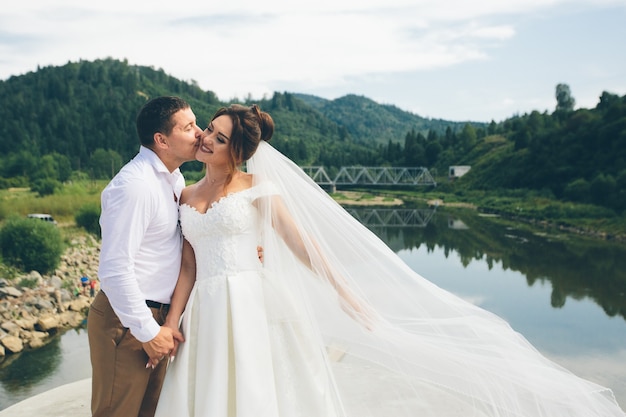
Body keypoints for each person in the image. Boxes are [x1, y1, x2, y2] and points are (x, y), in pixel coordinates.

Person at [155, 103, 626, 417]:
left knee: (258, 393)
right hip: (206, 311)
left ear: (238, 151)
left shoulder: (259, 189)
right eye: (207, 132)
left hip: (254, 306)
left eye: (217, 136)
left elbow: (302, 246)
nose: (205, 140)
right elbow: (189, 267)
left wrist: (344, 291)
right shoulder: (186, 193)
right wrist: (172, 323)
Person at [88, 96, 202, 417]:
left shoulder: (173, 179)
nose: (200, 132)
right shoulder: (135, 186)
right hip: (126, 321)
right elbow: (114, 269)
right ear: (162, 140)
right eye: (189, 126)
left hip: (157, 319)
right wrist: (146, 331)